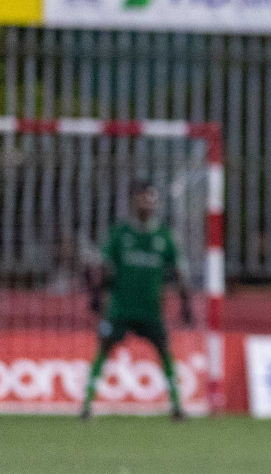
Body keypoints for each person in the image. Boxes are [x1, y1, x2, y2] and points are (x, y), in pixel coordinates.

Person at [81, 180, 193, 421]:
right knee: (104, 348)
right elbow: (103, 267)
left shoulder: (164, 236)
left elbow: (180, 271)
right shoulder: (120, 233)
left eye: (151, 198)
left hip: (151, 310)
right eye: (143, 197)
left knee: (164, 352)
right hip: (120, 308)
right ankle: (86, 405)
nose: (147, 203)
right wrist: (96, 295)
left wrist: (186, 303)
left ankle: (177, 406)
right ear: (133, 201)